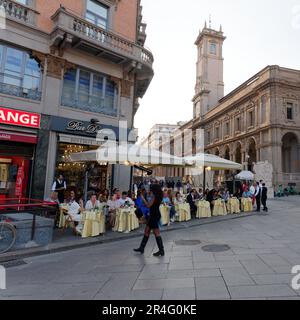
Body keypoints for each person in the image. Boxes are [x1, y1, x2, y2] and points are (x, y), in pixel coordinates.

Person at [134, 184, 165, 257]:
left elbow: (148, 205)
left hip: (154, 216)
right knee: (147, 230)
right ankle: (142, 248)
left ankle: (161, 250)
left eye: (151, 188)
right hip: (154, 214)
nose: (150, 189)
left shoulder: (154, 197)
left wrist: (143, 198)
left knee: (156, 232)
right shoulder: (158, 196)